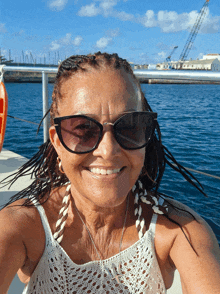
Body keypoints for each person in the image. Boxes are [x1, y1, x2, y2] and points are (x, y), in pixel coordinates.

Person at [0, 52, 220, 294]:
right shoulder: (22, 226)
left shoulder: (181, 233)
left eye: (130, 126)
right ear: (57, 142)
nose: (108, 150)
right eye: (83, 128)